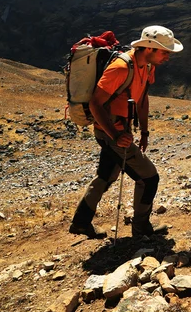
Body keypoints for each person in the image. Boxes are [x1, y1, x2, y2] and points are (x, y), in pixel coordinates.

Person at [69, 25, 183, 238]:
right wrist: (117, 136)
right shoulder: (120, 68)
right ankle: (141, 229)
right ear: (149, 48)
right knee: (149, 178)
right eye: (165, 52)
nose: (168, 56)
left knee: (106, 176)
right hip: (111, 133)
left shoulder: (148, 67)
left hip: (118, 132)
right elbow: (95, 104)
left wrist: (145, 132)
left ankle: (80, 222)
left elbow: (142, 99)